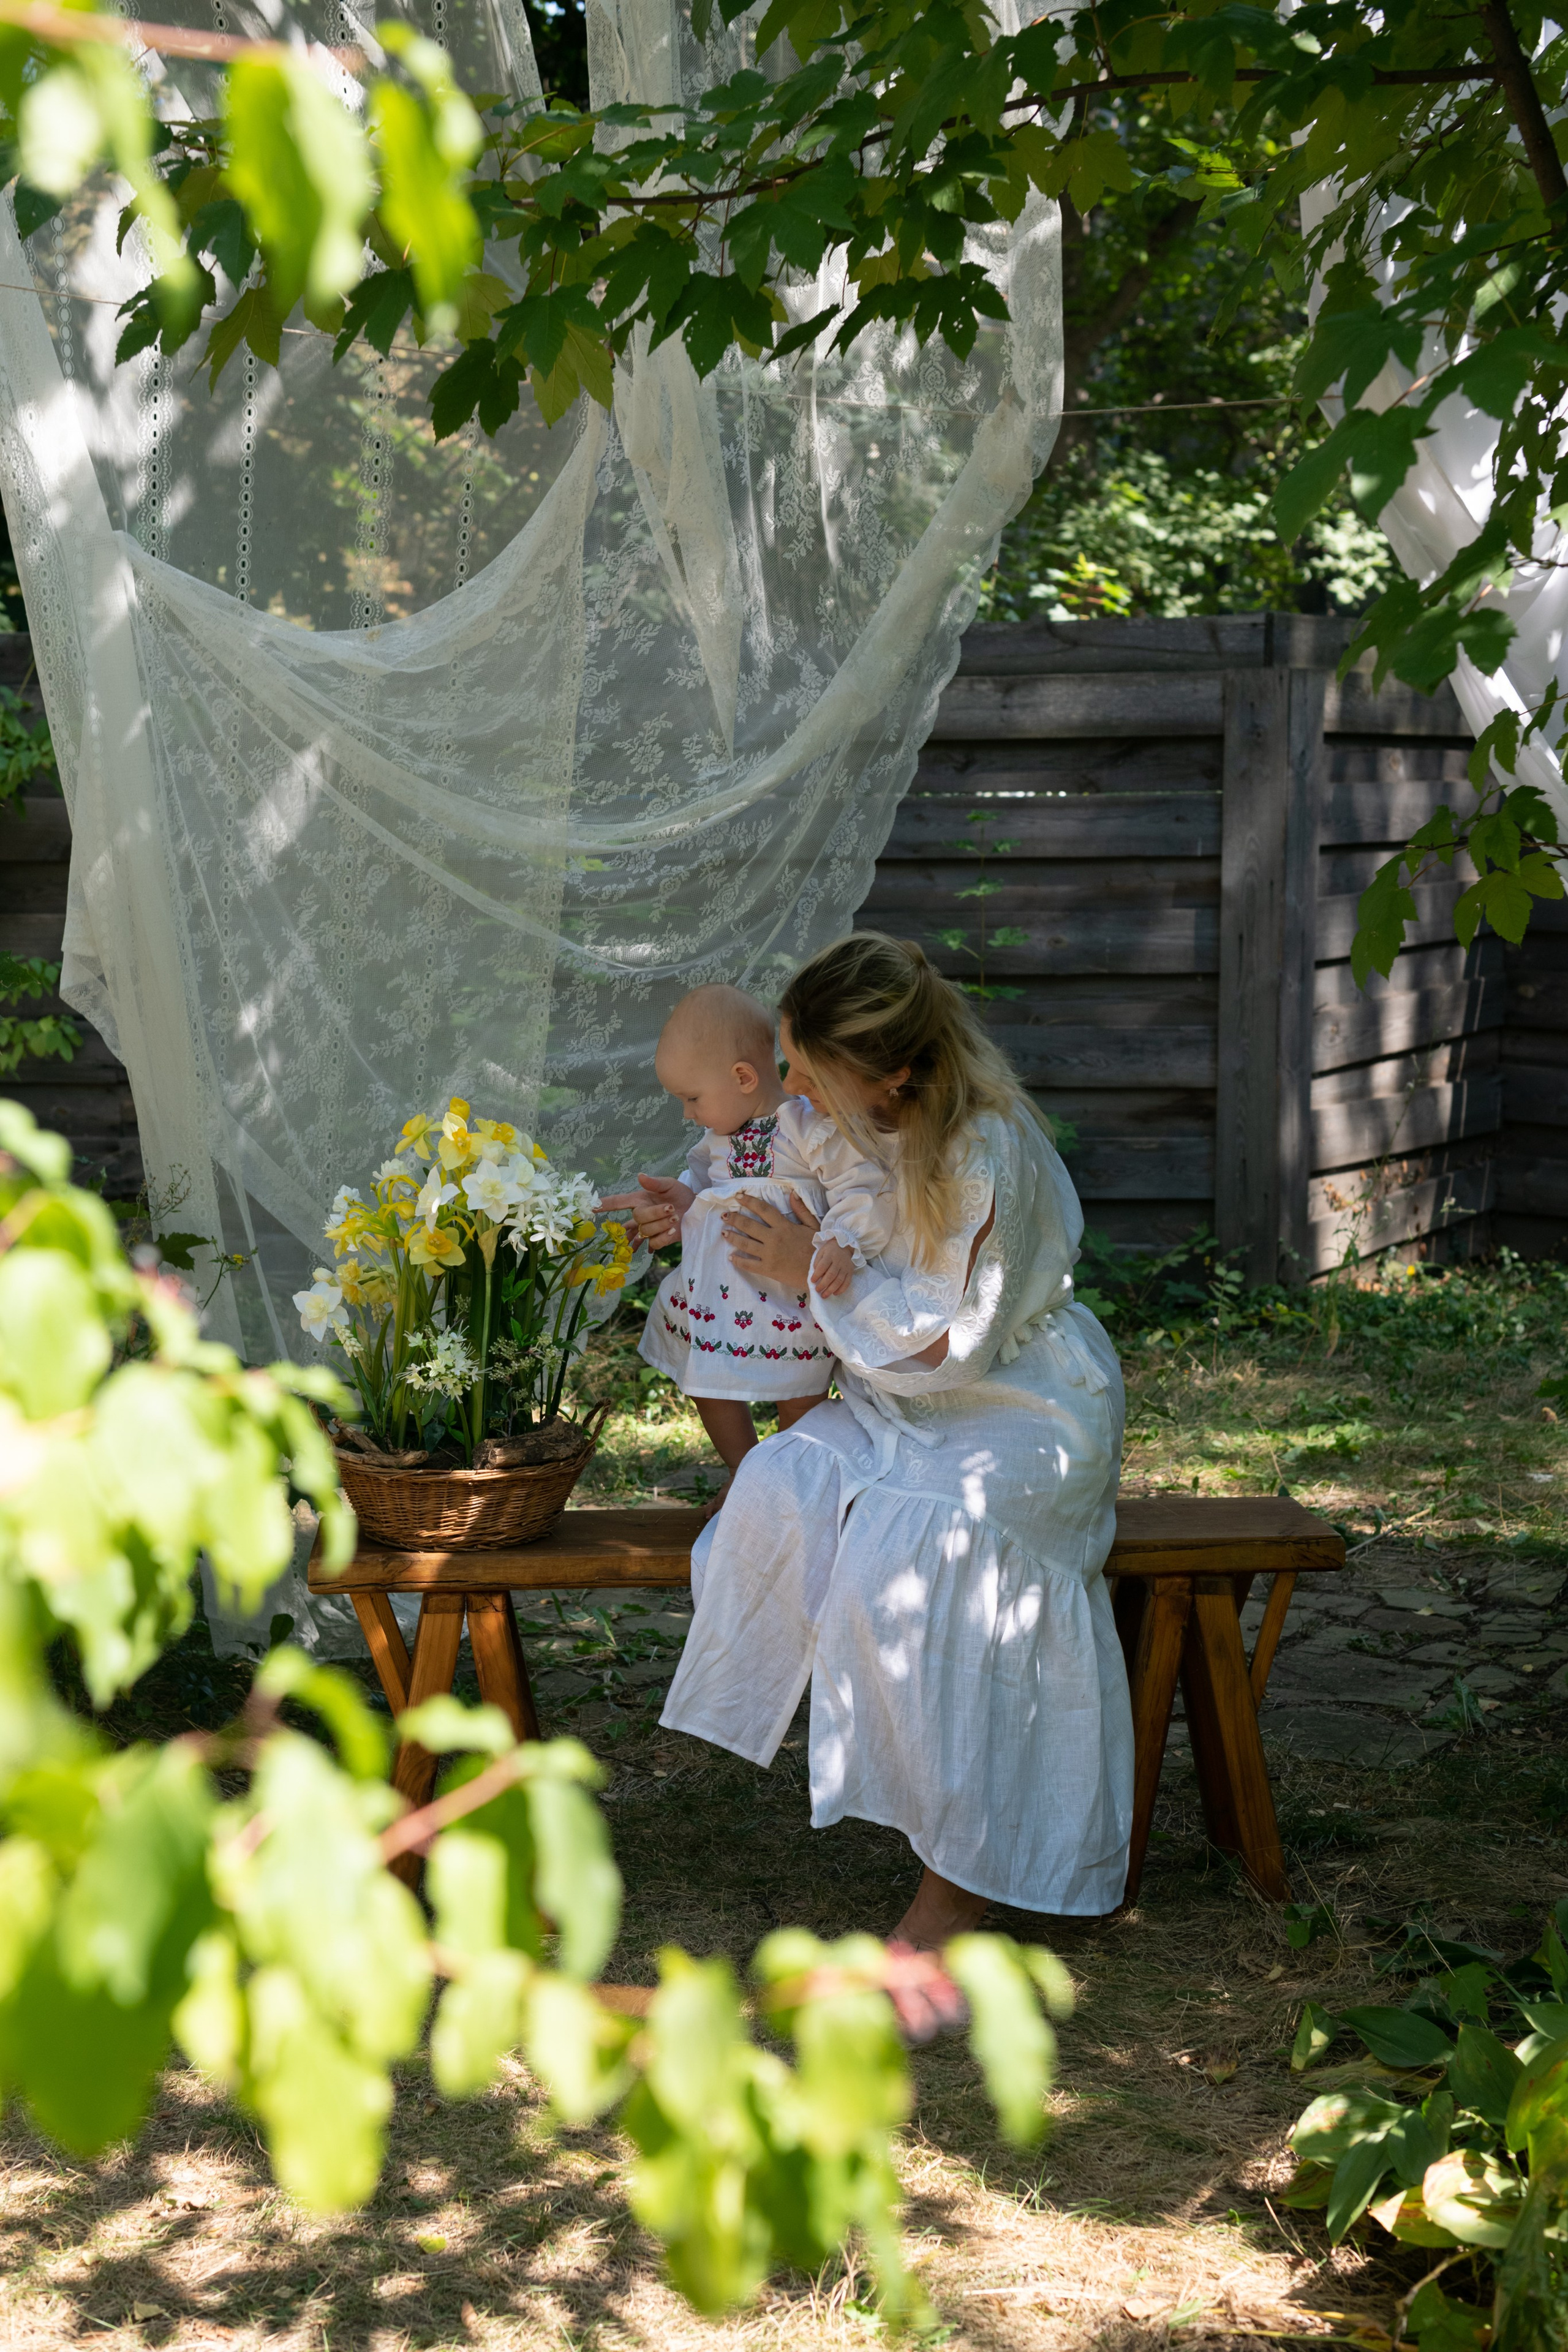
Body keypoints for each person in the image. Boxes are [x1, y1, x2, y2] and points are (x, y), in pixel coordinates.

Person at [658, 936, 1133, 1944]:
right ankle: (854, 1743)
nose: (787, 1086)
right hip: (896, 1398)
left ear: (895, 1073)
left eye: (803, 1069)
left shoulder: (982, 1150)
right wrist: (699, 1212)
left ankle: (955, 1883)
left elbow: (950, 1344)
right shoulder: (857, 1116)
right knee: (782, 1489)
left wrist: (813, 1278)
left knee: (912, 1560)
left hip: (1017, 1406)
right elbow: (792, 1195)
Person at [603, 983, 895, 1480]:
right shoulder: (715, 1139)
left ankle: (786, 1479)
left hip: (787, 1295)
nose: (687, 1113)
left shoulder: (808, 1127)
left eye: (692, 1098)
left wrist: (842, 1242)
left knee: (801, 1393)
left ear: (742, 1077)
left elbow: (859, 1189)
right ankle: (746, 1475)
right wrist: (683, 1203)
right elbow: (705, 1186)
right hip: (718, 1295)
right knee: (704, 1383)